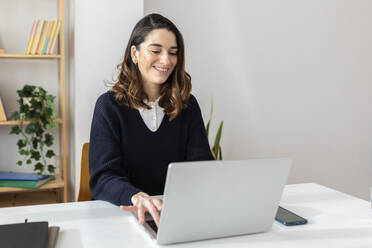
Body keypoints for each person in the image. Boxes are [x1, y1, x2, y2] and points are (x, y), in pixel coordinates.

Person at [89, 13, 214, 228]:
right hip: (121, 217)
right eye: (156, 51)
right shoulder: (108, 107)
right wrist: (137, 196)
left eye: (173, 53)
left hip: (173, 217)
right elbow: (103, 177)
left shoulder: (187, 105)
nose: (166, 60)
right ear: (134, 54)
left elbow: (201, 165)